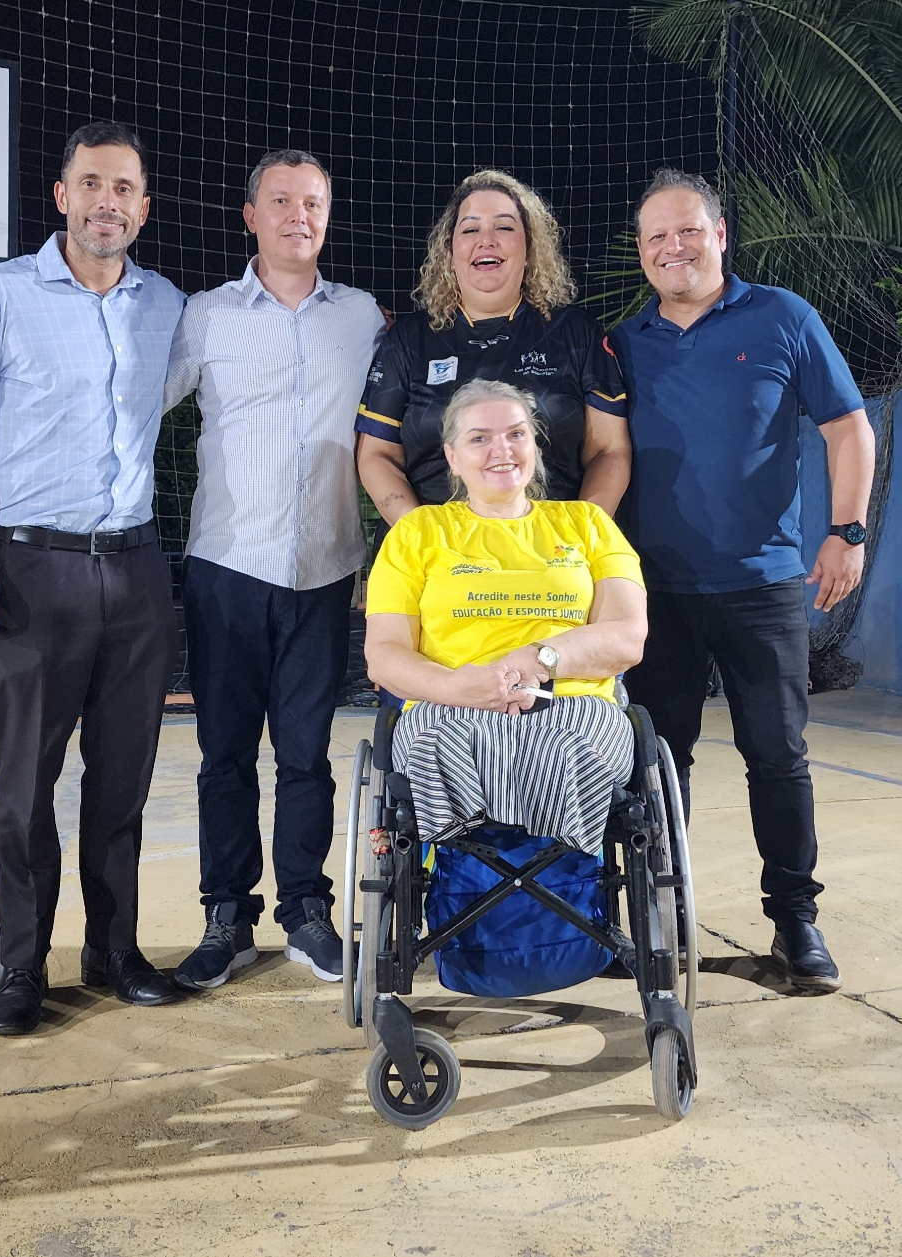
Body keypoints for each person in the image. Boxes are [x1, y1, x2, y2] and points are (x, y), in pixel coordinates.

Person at [610, 167, 876, 993]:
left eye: (688, 230)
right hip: (653, 589)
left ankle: (794, 921)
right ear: (641, 251)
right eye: (656, 236)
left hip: (761, 585)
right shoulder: (622, 341)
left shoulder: (782, 317)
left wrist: (846, 532)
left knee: (777, 755)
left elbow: (848, 428)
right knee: (658, 762)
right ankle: (659, 916)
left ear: (720, 235)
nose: (673, 247)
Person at [0, 122, 186, 1035]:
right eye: (91, 182)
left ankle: (114, 951)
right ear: (61, 195)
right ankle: (23, 964)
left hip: (135, 568)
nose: (107, 202)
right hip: (29, 569)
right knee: (24, 785)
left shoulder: (166, 304)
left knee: (123, 778)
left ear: (144, 207)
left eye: (124, 187)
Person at [164, 149, 385, 990]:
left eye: (314, 202)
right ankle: (227, 916)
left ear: (328, 217)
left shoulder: (360, 316)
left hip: (324, 569)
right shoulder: (206, 315)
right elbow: (135, 405)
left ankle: (305, 912)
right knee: (224, 754)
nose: (299, 215)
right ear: (249, 215)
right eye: (282, 201)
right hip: (227, 567)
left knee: (306, 755)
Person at [364, 378, 647, 854]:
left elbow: (627, 637)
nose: (503, 449)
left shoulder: (588, 524)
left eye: (516, 434)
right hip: (447, 706)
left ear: (535, 444)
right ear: (452, 456)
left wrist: (539, 660)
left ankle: (557, 879)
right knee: (438, 745)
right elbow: (384, 654)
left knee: (569, 747)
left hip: (572, 705)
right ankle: (473, 875)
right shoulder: (417, 532)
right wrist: (457, 687)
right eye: (480, 438)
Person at [355, 170, 631, 542]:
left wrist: (579, 536)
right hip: (434, 555)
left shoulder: (577, 333)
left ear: (530, 246)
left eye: (504, 227)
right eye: (470, 229)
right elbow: (376, 456)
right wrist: (420, 538)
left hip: (550, 551)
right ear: (450, 251)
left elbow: (610, 451)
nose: (486, 240)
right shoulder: (407, 340)